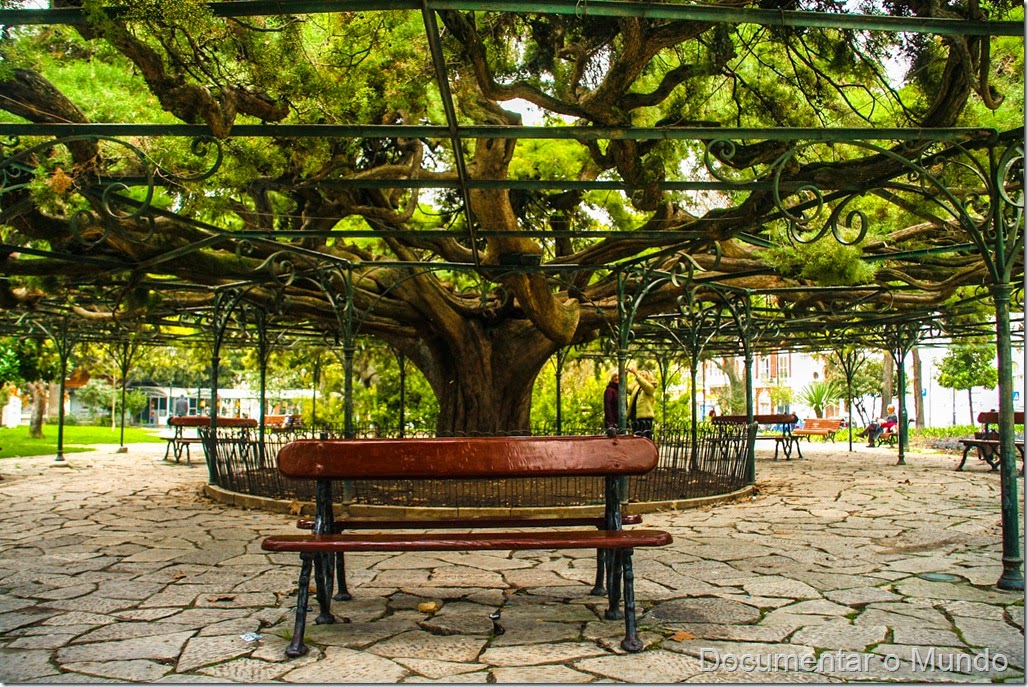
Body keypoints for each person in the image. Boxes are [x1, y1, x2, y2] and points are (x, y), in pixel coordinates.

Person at [627, 367, 656, 439]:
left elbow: (645, 385)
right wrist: (625, 376)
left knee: (644, 438)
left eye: (643, 375)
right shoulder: (637, 387)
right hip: (635, 416)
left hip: (644, 418)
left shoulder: (651, 386)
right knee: (636, 438)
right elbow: (627, 389)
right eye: (641, 374)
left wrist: (636, 374)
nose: (641, 376)